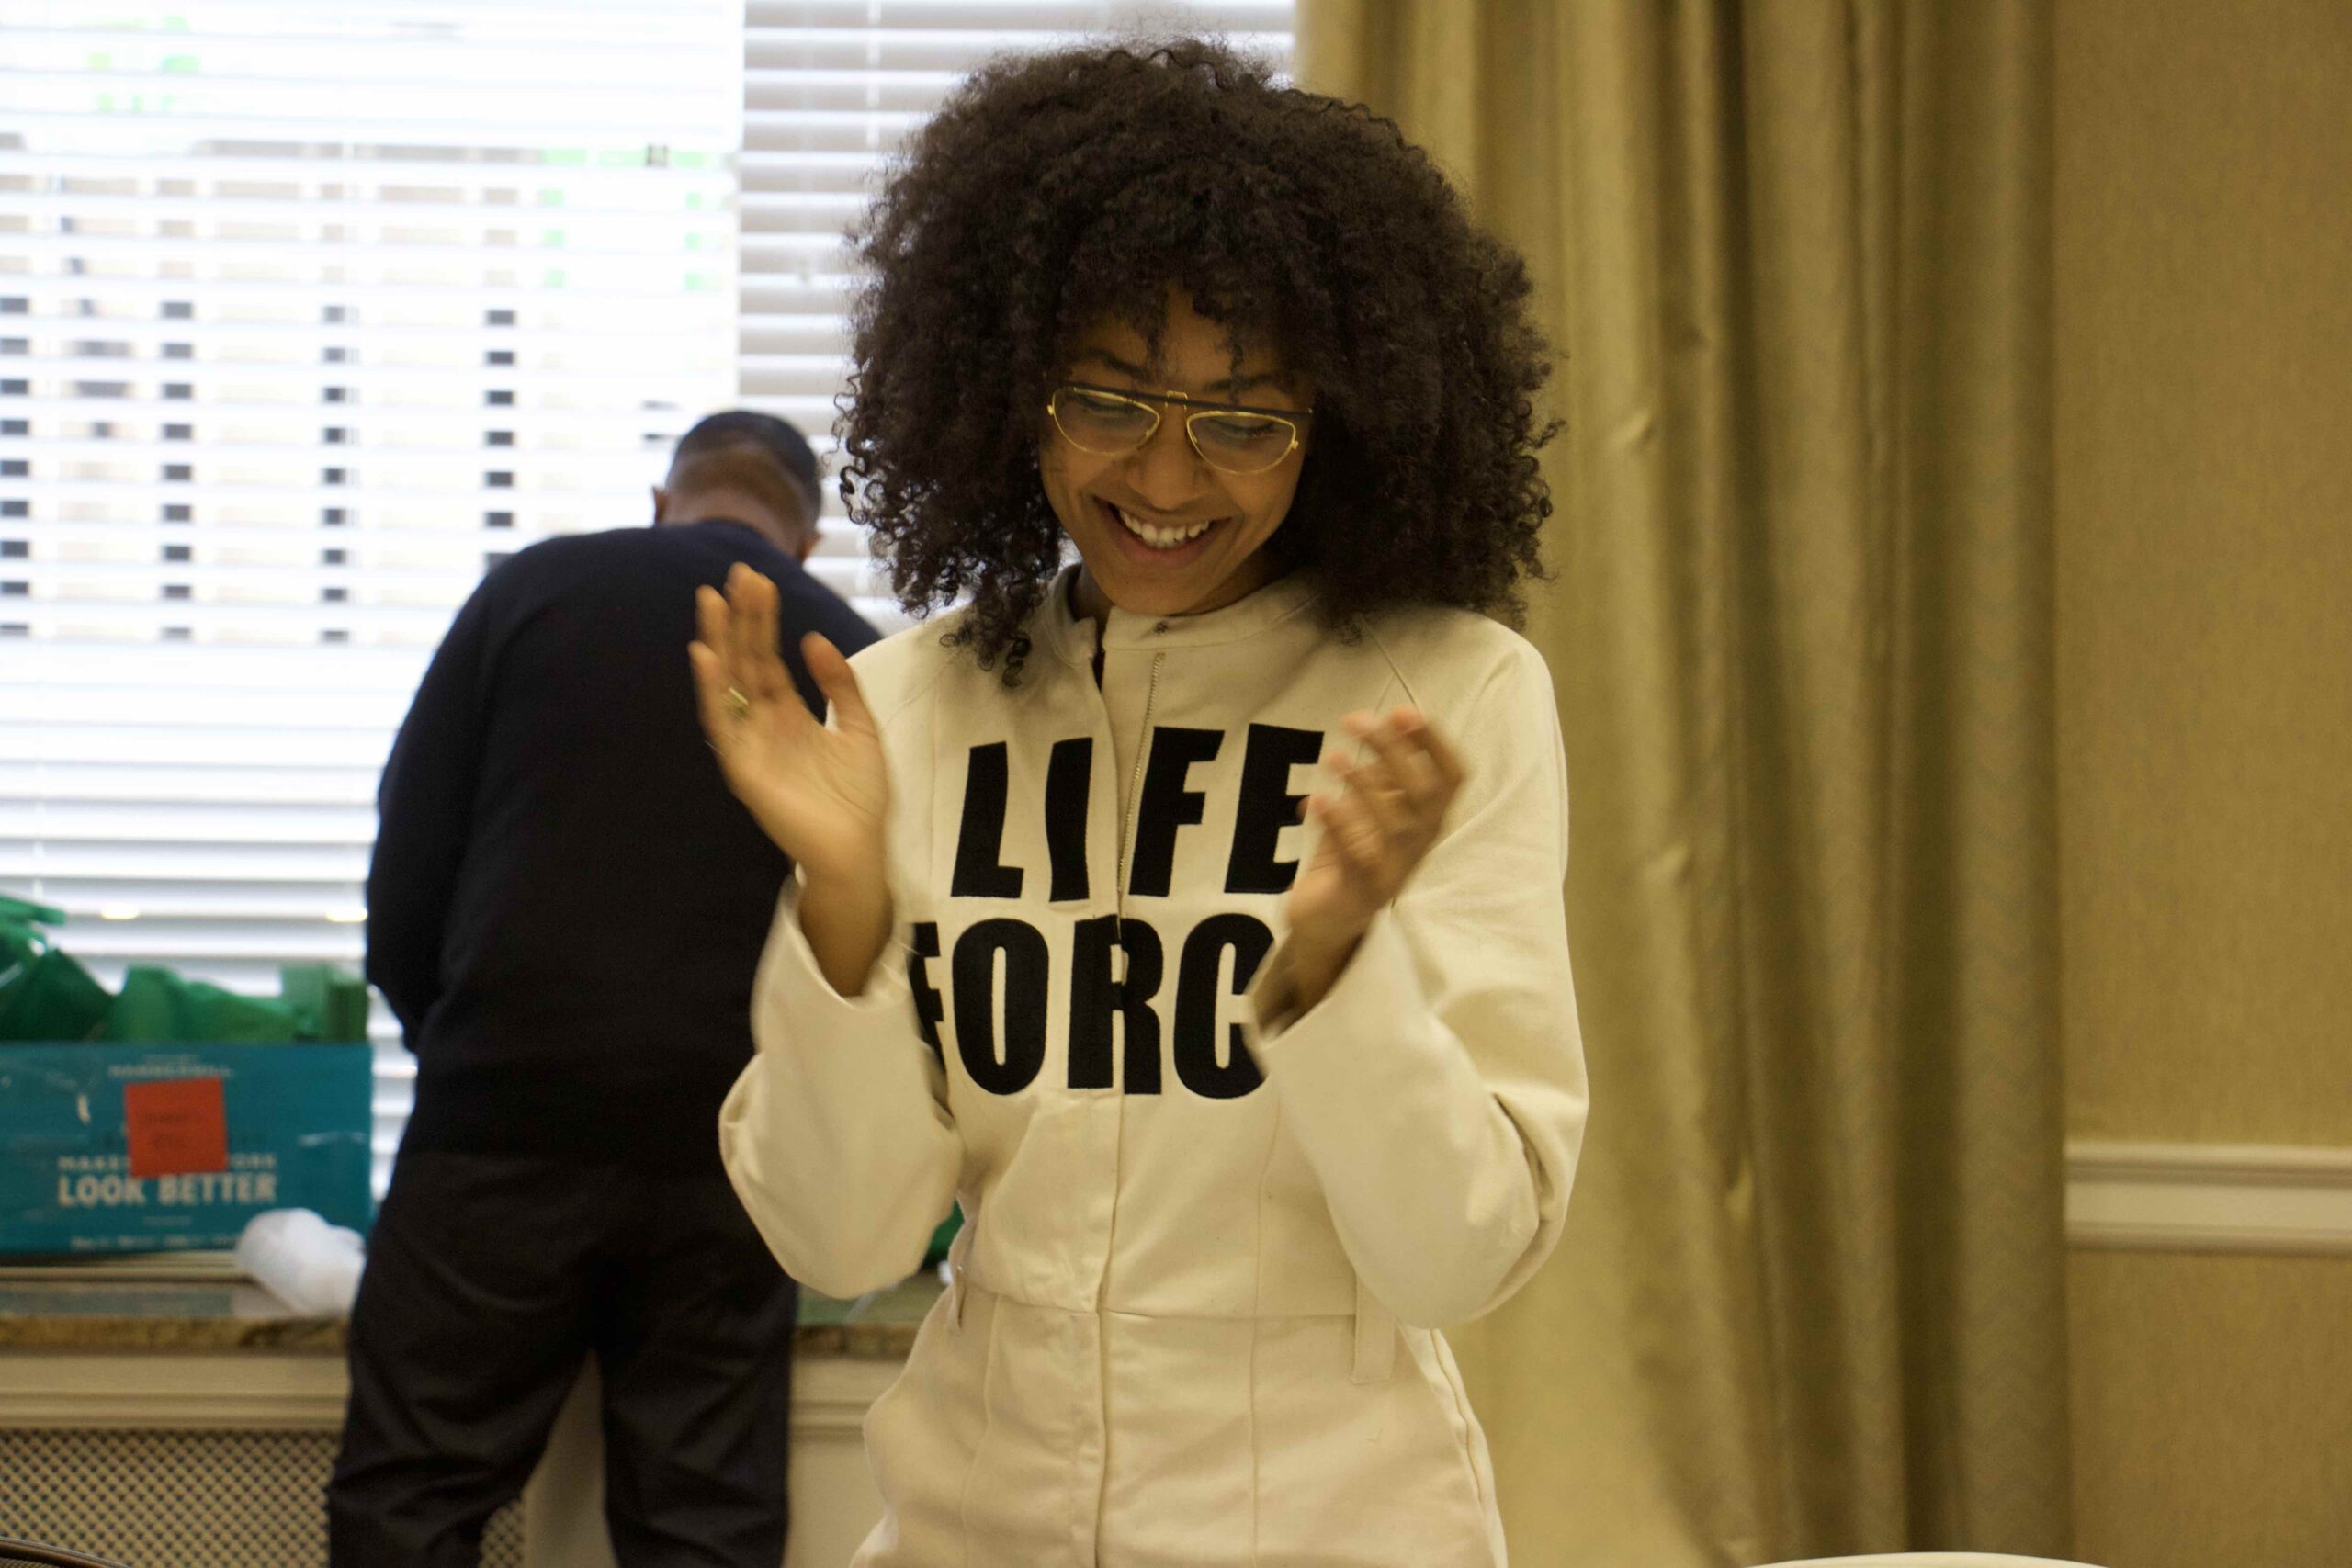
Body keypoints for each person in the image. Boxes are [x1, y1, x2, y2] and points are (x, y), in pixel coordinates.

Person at [695, 40, 1587, 1568]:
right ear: (1016, 394)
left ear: (1339, 424)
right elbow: (838, 1242)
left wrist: (1334, 973)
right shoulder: (907, 709)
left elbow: (1457, 1258)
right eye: (1109, 399)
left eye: (1243, 420)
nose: (1166, 477)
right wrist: (843, 915)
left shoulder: (1450, 697)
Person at [332, 412, 878, 1567]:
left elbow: (409, 866)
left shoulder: (531, 592)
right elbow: (874, 944)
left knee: (412, 1500)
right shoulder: (848, 656)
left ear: (662, 500)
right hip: (727, 1147)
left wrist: (467, 1053)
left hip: (502, 1123)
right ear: (806, 539)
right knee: (702, 1524)